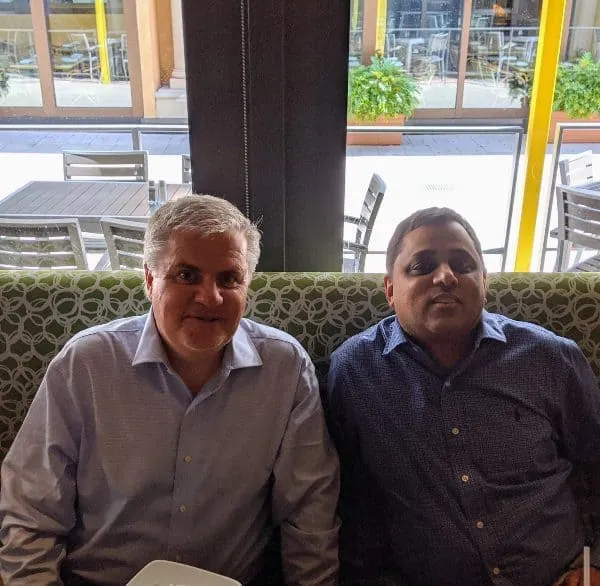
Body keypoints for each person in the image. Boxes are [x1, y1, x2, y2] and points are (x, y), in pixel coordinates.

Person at [0, 194, 340, 585]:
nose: (210, 297)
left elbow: (309, 515)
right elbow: (30, 514)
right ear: (149, 280)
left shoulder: (286, 369)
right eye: (186, 275)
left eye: (229, 278)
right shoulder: (86, 364)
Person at [326, 206, 600, 586]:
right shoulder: (355, 372)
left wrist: (595, 565)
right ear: (390, 289)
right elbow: (347, 500)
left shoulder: (550, 358)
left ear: (483, 282)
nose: (445, 276)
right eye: (422, 266)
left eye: (462, 264)